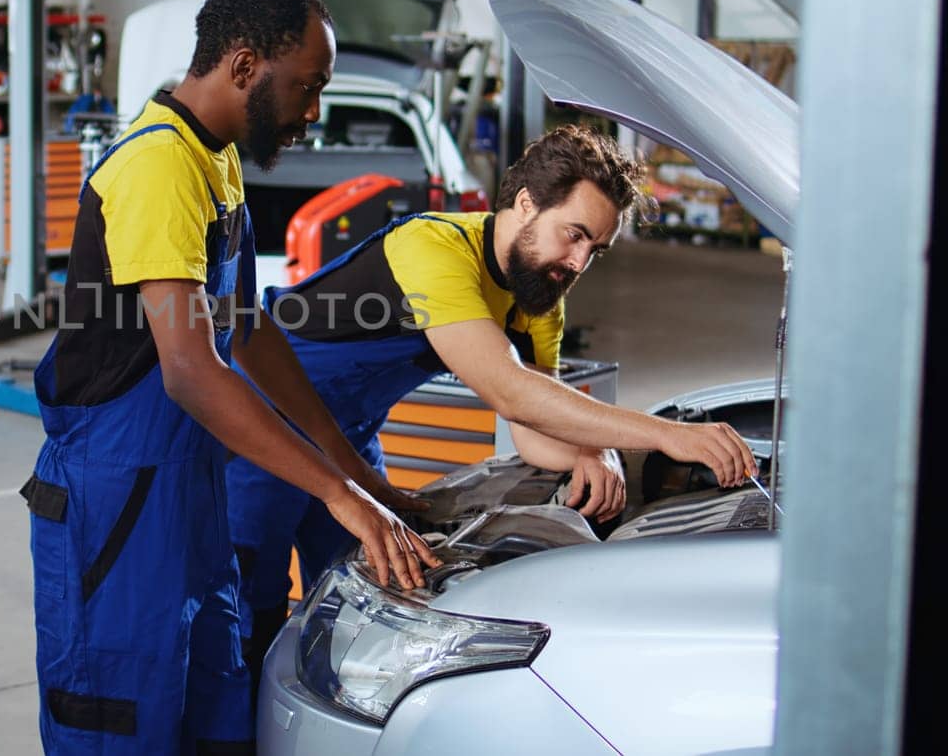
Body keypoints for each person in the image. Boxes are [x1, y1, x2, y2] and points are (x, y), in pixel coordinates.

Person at [22, 0, 439, 756]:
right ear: (244, 66)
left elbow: (249, 330)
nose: (312, 114)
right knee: (123, 730)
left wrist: (353, 474)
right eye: (306, 87)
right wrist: (336, 497)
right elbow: (190, 367)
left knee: (221, 720)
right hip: (116, 511)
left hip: (189, 500)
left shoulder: (214, 159)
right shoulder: (156, 165)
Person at [226, 124, 761, 686]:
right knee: (247, 614)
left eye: (594, 250)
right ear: (526, 203)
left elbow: (529, 425)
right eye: (572, 235)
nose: (578, 262)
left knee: (361, 602)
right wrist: (661, 433)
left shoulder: (539, 300)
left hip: (349, 437)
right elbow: (509, 389)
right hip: (263, 422)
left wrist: (590, 449)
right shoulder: (433, 248)